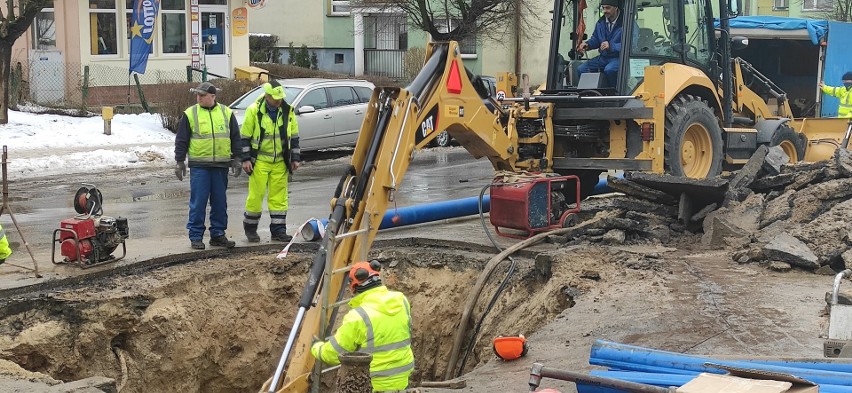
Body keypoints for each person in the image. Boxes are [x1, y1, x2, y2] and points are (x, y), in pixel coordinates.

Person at [311, 260, 415, 392]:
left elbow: (333, 354)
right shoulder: (401, 300)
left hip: (372, 384)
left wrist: (316, 347)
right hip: (402, 379)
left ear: (353, 286)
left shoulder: (358, 316)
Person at [174, 81, 241, 250]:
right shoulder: (190, 114)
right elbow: (182, 139)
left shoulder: (226, 112)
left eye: (202, 95)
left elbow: (235, 137)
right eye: (197, 95)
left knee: (219, 202)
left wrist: (237, 157)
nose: (198, 98)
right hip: (200, 166)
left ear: (213, 96)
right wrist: (179, 160)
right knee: (198, 203)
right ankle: (196, 236)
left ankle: (218, 234)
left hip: (220, 166)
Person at [239, 81, 301, 243]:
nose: (278, 101)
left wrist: (295, 158)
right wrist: (245, 159)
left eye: (280, 98)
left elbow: (294, 137)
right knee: (256, 196)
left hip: (280, 162)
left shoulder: (288, 111)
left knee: (279, 197)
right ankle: (251, 229)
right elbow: (245, 137)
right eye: (275, 98)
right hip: (259, 161)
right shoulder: (254, 111)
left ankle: (279, 231)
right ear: (267, 96)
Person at [576, 0, 623, 88]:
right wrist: (587, 44)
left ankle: (615, 93)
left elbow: (632, 46)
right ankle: (589, 95)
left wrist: (611, 46)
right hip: (604, 57)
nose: (605, 11)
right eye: (603, 8)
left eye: (608, 8)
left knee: (610, 69)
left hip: (619, 58)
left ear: (616, 8)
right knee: (581, 69)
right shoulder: (600, 23)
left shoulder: (627, 23)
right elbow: (596, 39)